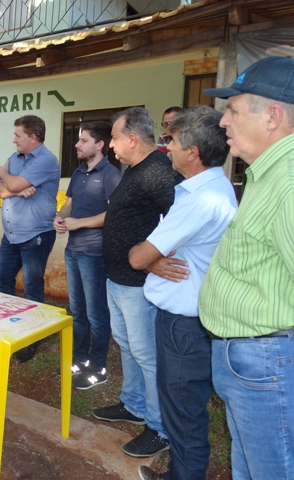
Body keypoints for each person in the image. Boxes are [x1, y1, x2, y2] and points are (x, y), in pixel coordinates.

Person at [198, 56, 294, 480]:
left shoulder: (289, 181)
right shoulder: (267, 175)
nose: (223, 122)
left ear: (272, 116)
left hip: (268, 360)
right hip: (252, 361)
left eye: (233, 110)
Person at [128, 106, 237, 480]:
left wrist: (147, 257)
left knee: (183, 411)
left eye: (171, 140)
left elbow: (140, 256)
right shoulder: (211, 188)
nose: (166, 147)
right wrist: (156, 258)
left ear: (192, 152)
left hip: (183, 325)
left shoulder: (199, 200)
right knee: (184, 407)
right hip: (191, 319)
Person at [92, 106, 181, 457]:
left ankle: (160, 428)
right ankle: (134, 404)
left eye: (113, 138)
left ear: (131, 138)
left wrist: (157, 259)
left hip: (138, 282)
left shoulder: (159, 171)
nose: (111, 145)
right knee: (127, 345)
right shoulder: (135, 169)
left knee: (146, 354)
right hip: (119, 278)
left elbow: (184, 217)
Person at [53, 121, 121, 389]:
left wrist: (79, 224)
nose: (77, 144)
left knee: (96, 313)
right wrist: (60, 219)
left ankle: (98, 367)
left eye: (83, 140)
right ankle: (79, 359)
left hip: (94, 252)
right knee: (77, 310)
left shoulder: (110, 174)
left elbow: (113, 214)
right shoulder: (79, 172)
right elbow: (69, 204)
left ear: (99, 145)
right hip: (73, 250)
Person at [0, 115, 60, 363]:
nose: (14, 140)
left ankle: (32, 337)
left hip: (36, 235)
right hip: (11, 234)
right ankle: (10, 327)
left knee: (32, 286)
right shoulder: (14, 158)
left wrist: (5, 176)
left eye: (18, 135)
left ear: (33, 137)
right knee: (2, 278)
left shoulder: (46, 160)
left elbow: (9, 182)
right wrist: (17, 189)